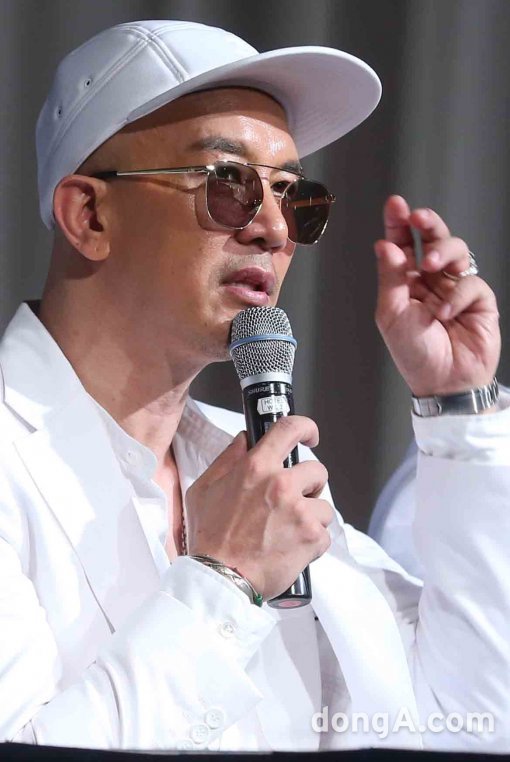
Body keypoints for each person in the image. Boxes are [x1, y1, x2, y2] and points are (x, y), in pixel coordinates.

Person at [1, 18, 509, 753]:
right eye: (227, 184)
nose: (273, 229)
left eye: (292, 196)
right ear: (90, 213)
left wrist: (460, 410)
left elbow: (471, 719)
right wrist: (226, 582)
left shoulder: (257, 466)